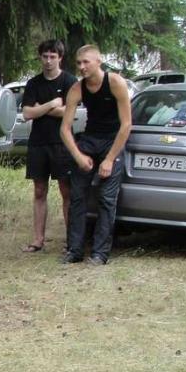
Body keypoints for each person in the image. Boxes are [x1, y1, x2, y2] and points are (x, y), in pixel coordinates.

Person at [60, 45, 133, 265]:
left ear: (98, 62)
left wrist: (109, 159)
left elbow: (126, 125)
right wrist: (78, 156)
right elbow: (64, 129)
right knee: (77, 197)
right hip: (89, 140)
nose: (82, 67)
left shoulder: (115, 82)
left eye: (86, 62)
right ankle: (74, 250)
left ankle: (100, 253)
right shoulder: (77, 88)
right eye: (78, 63)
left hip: (113, 141)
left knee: (106, 199)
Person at [20, 39, 76, 252]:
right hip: (38, 143)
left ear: (60, 58)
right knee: (39, 190)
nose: (48, 61)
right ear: (40, 57)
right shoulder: (33, 83)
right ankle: (38, 239)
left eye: (53, 56)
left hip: (62, 142)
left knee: (66, 190)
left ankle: (72, 240)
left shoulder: (70, 81)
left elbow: (69, 112)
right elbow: (27, 113)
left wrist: (40, 108)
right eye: (45, 56)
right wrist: (52, 104)